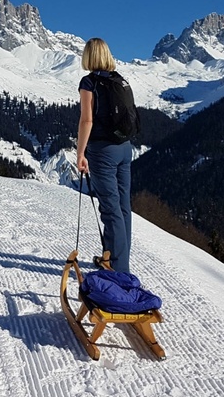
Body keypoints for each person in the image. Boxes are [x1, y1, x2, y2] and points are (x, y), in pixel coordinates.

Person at [76, 37, 135, 273]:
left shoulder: (89, 82)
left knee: (110, 209)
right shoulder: (119, 80)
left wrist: (80, 152)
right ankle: (114, 258)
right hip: (125, 148)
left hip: (103, 152)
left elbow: (86, 120)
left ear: (89, 56)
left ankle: (118, 270)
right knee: (123, 207)